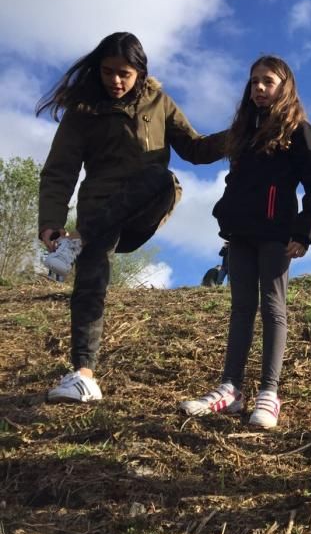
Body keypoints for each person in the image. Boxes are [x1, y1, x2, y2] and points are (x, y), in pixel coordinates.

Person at [37, 32, 226, 404]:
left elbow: (196, 148)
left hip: (146, 203)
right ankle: (82, 376)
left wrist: (242, 135)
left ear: (140, 72)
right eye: (108, 72)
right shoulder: (84, 112)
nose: (116, 81)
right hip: (99, 213)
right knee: (91, 283)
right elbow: (60, 170)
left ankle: (78, 240)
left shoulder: (159, 102)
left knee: (159, 176)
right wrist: (51, 223)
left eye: (124, 73)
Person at [180, 56, 311, 429]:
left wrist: (303, 231)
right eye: (254, 82)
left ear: (284, 86)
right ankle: (230, 389)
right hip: (239, 232)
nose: (259, 88)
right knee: (241, 309)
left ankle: (269, 392)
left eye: (268, 81)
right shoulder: (241, 132)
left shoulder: (299, 130)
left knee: (273, 307)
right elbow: (198, 151)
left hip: (276, 234)